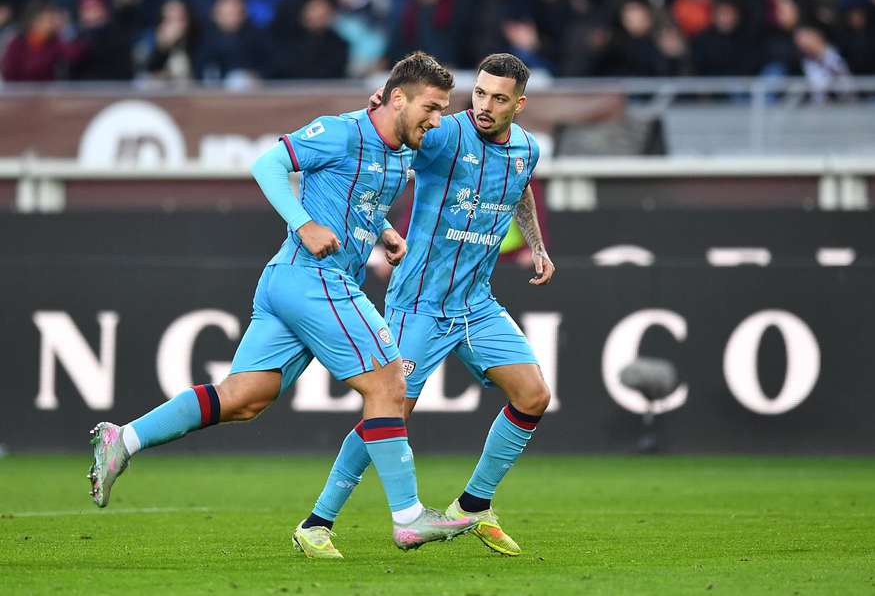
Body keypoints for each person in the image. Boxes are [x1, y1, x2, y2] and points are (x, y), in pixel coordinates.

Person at [88, 51, 477, 552]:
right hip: (313, 277)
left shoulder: (398, 149)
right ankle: (407, 516)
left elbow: (359, 198)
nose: (437, 119)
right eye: (431, 106)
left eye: (443, 109)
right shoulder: (340, 131)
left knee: (244, 398)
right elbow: (268, 164)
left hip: (291, 283)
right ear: (397, 98)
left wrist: (384, 231)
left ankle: (126, 440)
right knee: (390, 382)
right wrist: (304, 224)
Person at [294, 53, 555, 559]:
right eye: (479, 93)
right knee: (388, 412)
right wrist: (377, 110)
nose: (484, 105)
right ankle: (317, 521)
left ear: (519, 104)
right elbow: (391, 137)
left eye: (499, 98)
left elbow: (519, 190)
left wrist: (538, 245)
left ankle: (473, 504)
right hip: (418, 305)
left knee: (533, 395)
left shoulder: (527, 148)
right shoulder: (441, 136)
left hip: (477, 305)